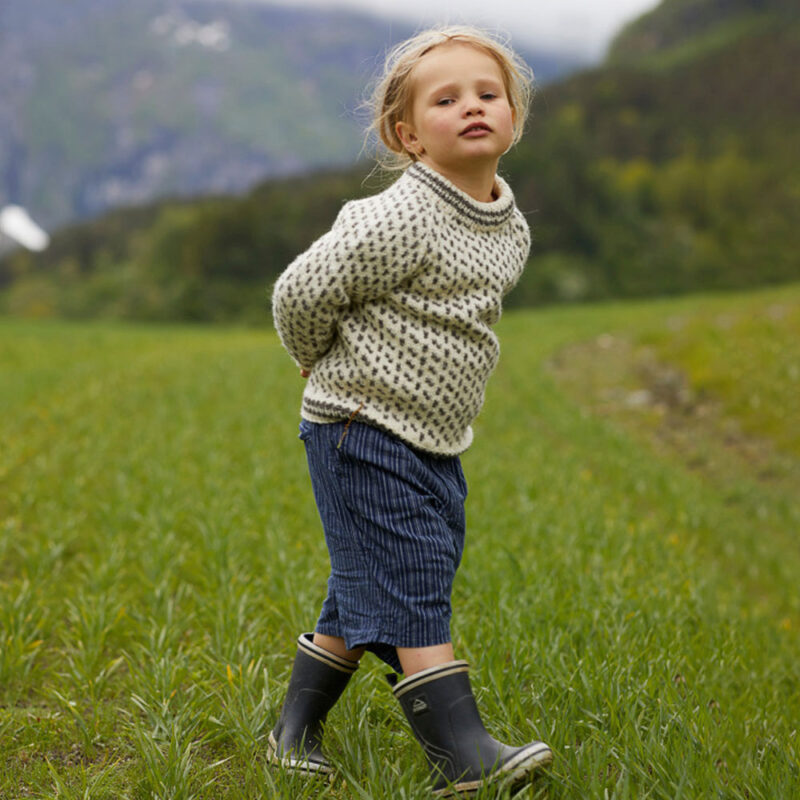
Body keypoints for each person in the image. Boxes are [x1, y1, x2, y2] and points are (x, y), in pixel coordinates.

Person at [268, 24, 552, 797]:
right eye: (446, 99)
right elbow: (301, 292)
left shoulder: (508, 224)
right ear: (408, 133)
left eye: (488, 95)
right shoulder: (398, 217)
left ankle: (291, 732)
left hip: (433, 435)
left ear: (513, 118)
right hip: (358, 423)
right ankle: (461, 757)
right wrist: (310, 355)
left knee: (366, 582)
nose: (472, 108)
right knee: (413, 576)